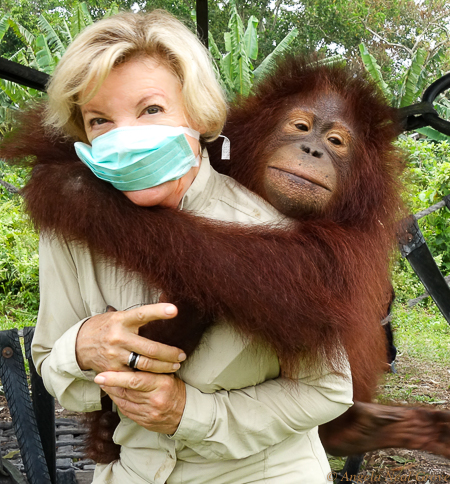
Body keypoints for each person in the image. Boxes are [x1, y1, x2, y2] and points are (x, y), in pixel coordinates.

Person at [30, 10, 353, 483]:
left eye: (151, 109)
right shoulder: (71, 222)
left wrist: (193, 414)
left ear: (197, 115)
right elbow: (49, 360)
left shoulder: (272, 231)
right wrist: (81, 347)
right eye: (100, 120)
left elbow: (329, 389)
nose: (126, 137)